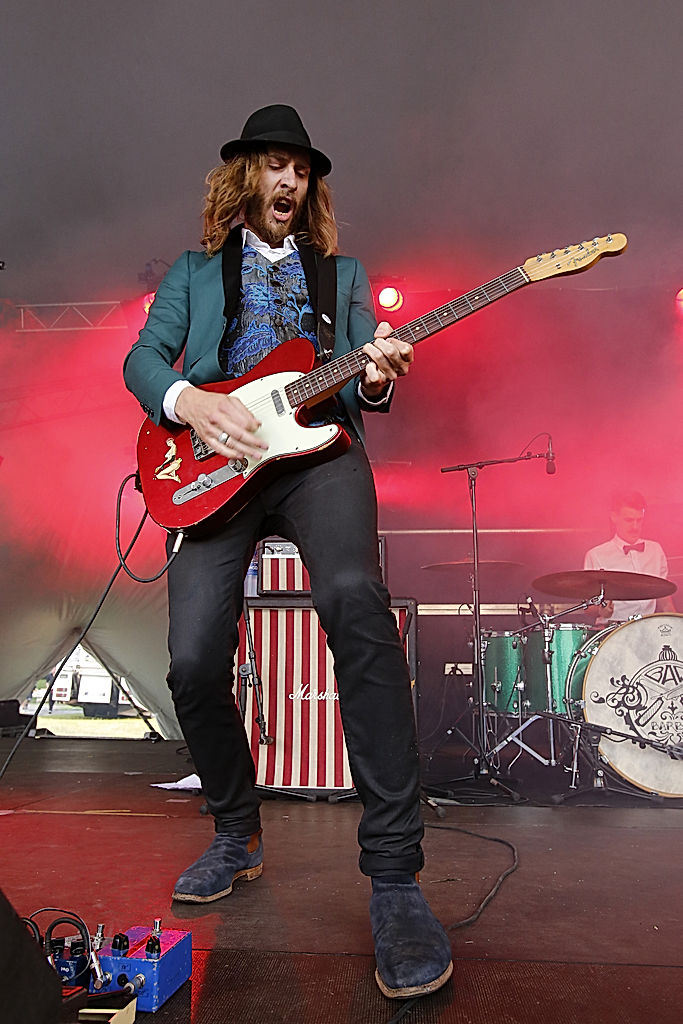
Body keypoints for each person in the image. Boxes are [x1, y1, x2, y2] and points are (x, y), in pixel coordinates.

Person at [123, 104, 452, 1000]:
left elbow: (361, 369)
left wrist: (376, 373)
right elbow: (142, 362)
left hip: (318, 458)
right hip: (216, 468)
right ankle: (237, 831)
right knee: (191, 659)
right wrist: (191, 404)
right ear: (245, 179)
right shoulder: (191, 275)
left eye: (300, 171)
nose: (288, 182)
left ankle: (394, 878)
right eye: (274, 165)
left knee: (354, 598)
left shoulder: (340, 275)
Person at [583, 489, 676, 625]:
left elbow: (664, 601)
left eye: (639, 520)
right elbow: (587, 608)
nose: (635, 526)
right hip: (611, 629)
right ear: (614, 517)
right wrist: (601, 611)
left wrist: (677, 629)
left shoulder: (655, 550)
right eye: (629, 520)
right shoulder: (596, 555)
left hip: (647, 628)